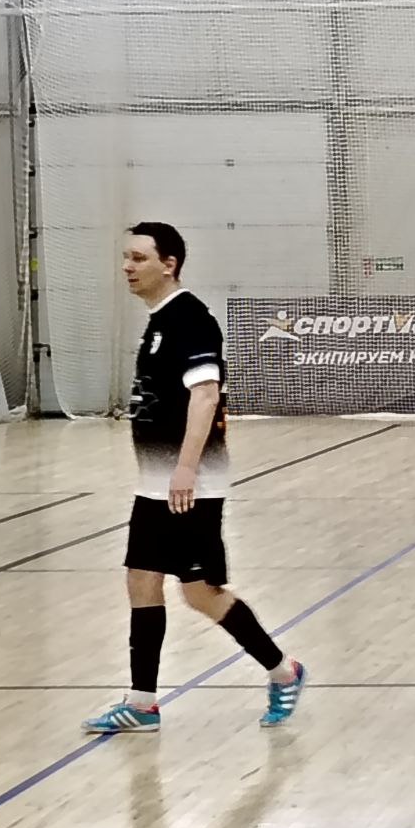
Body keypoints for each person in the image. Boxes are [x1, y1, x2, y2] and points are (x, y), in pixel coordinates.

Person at [82, 222, 305, 734]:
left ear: (170, 264)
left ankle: (283, 671)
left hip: (190, 483)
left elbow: (205, 396)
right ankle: (142, 704)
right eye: (125, 257)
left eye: (139, 258)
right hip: (156, 482)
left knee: (201, 591)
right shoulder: (159, 321)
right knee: (142, 579)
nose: (127, 267)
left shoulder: (191, 320)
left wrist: (185, 467)